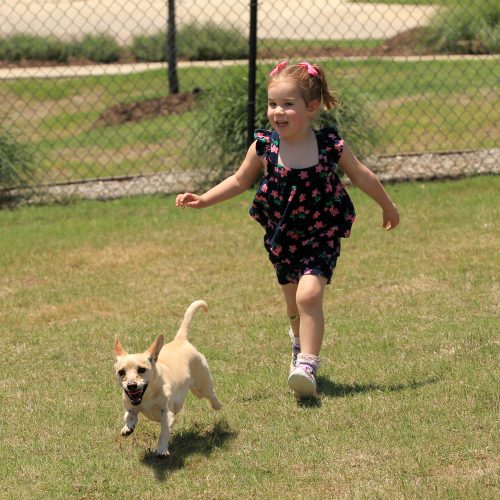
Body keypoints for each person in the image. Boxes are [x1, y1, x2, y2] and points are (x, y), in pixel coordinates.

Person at [176, 60, 399, 399]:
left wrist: (387, 204)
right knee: (293, 302)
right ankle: (298, 349)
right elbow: (239, 180)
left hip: (321, 233)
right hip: (282, 237)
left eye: (287, 105)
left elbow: (361, 174)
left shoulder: (328, 146)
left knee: (309, 294)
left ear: (311, 108)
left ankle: (308, 364)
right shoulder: (265, 146)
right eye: (272, 104)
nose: (277, 112)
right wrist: (204, 199)